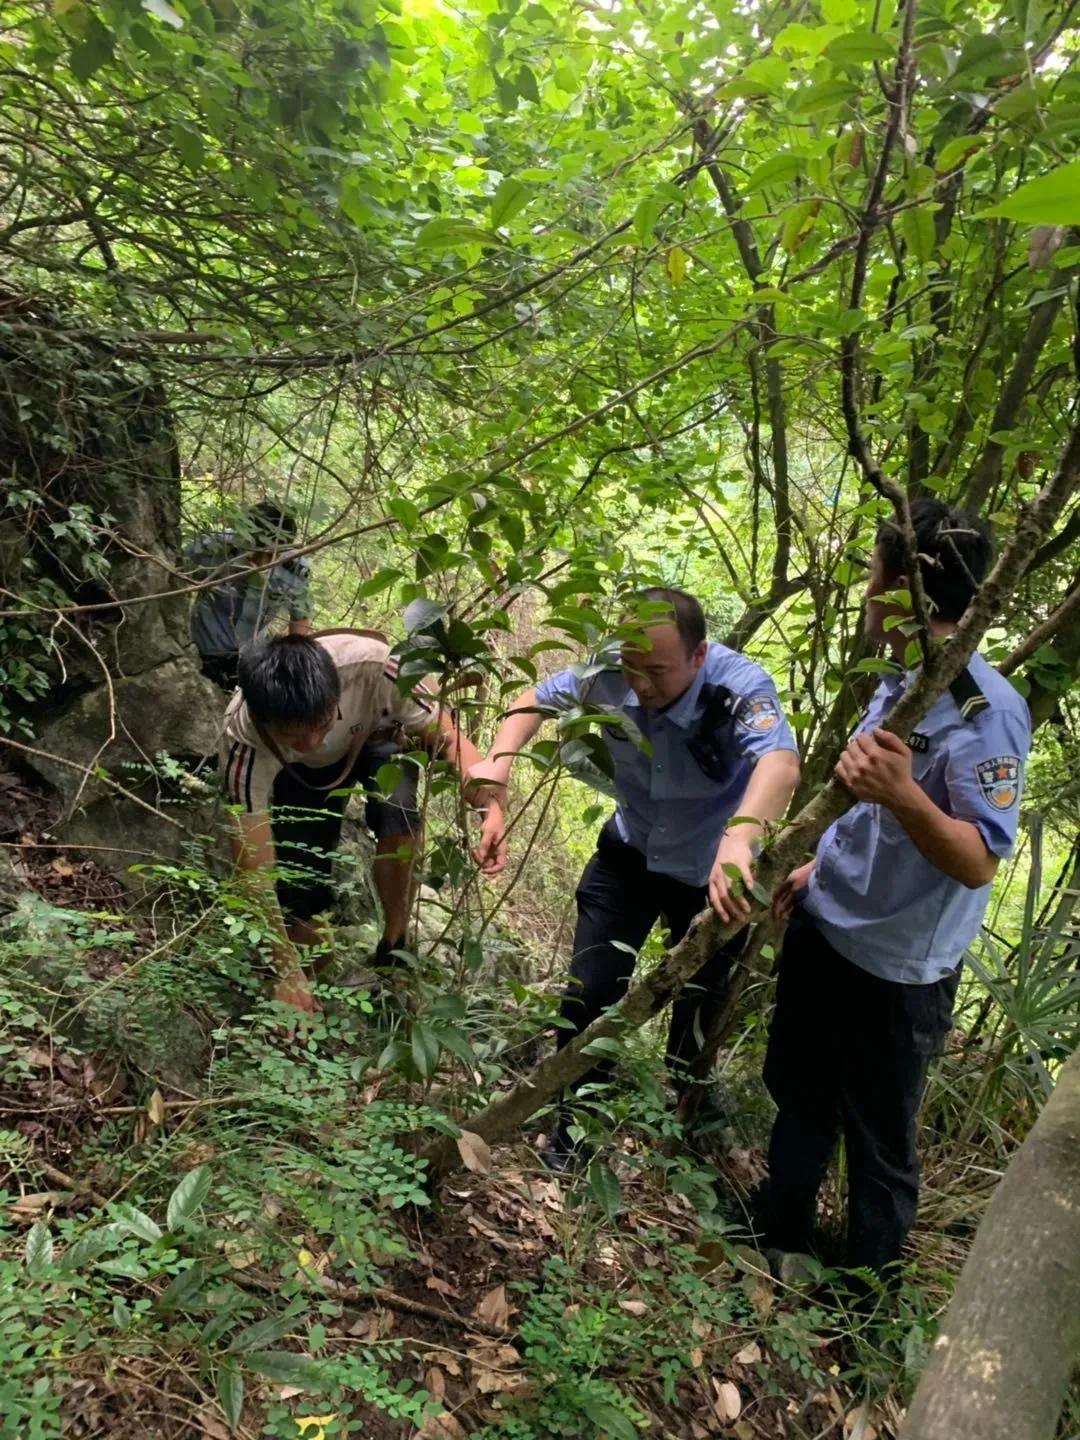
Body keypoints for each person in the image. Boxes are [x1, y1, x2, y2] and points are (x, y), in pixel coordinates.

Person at [764, 500, 1032, 1283]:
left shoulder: (986, 711)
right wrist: (820, 869)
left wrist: (906, 794)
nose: (865, 590)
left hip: (898, 971)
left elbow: (978, 860)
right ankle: (777, 1236)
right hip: (827, 928)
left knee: (878, 1143)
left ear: (902, 587)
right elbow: (865, 814)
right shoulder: (900, 677)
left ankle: (863, 1299)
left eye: (872, 573)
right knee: (801, 1096)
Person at [467, 587, 800, 1168]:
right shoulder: (606, 670)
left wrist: (741, 837)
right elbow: (533, 701)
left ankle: (684, 1124)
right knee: (589, 990)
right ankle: (574, 1126)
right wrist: (498, 766)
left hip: (711, 873)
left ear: (698, 656)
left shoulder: (738, 688)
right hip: (629, 854)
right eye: (631, 666)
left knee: (701, 1007)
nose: (641, 684)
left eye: (659, 671)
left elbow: (781, 764)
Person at [220, 631, 507, 1013]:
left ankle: (395, 943)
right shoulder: (243, 737)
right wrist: (287, 970)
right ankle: (311, 986)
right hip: (302, 775)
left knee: (397, 818)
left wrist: (490, 807)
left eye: (323, 724)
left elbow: (450, 738)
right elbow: (252, 862)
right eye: (295, 736)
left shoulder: (377, 668)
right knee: (301, 895)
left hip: (378, 739)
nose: (313, 742)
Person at [186, 501, 312, 691]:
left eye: (271, 554)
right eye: (255, 549)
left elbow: (300, 618)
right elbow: (175, 574)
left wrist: (292, 660)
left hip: (253, 657)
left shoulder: (294, 570)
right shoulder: (216, 547)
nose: (261, 561)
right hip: (203, 649)